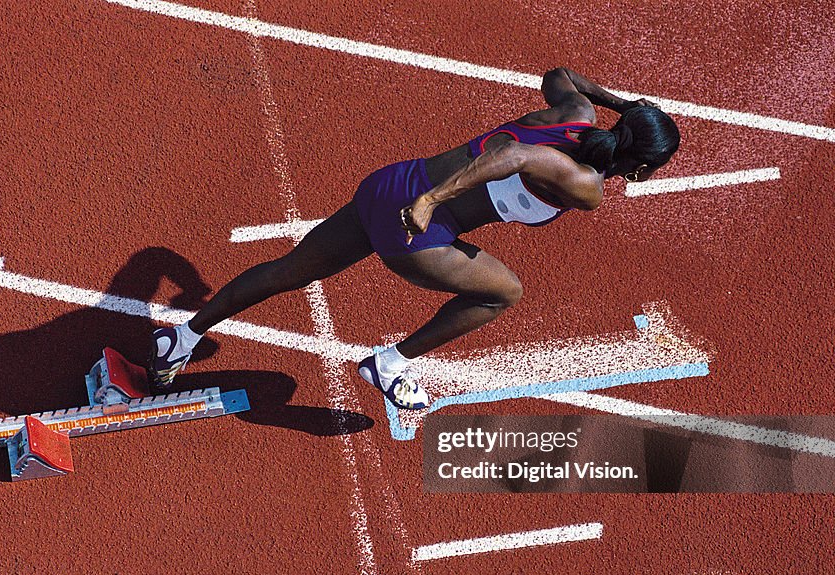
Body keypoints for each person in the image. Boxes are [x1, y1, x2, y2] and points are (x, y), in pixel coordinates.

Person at [148, 67, 680, 410]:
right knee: (503, 292)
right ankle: (391, 363)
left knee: (291, 269)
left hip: (388, 184)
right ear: (639, 165)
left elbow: (560, 73)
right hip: (417, 228)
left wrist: (624, 103)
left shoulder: (576, 112)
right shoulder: (584, 186)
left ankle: (186, 336)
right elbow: (511, 160)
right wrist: (431, 203)